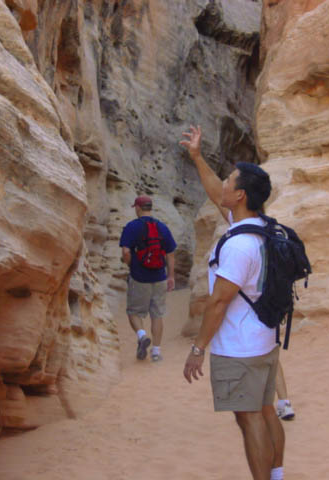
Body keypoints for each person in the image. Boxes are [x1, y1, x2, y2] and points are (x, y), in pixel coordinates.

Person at [180, 125, 285, 480]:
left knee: (249, 417)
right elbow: (214, 193)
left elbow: (218, 303)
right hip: (263, 340)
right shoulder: (259, 225)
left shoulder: (239, 245)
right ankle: (277, 475)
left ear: (239, 195)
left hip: (240, 347)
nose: (223, 183)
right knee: (264, 410)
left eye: (229, 181)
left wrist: (198, 349)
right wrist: (196, 156)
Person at [120, 195, 176, 362]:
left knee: (134, 312)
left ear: (138, 207)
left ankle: (142, 335)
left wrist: (132, 266)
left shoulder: (131, 227)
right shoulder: (162, 227)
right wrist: (171, 276)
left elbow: (125, 252)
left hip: (139, 277)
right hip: (159, 277)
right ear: (150, 207)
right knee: (157, 314)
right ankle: (156, 352)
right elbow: (171, 254)